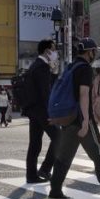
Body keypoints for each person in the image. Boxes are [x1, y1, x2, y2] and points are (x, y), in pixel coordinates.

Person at [47, 38, 100, 199]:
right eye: (94, 51)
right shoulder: (85, 69)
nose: (95, 54)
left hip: (67, 118)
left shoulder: (70, 67)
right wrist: (85, 120)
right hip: (81, 119)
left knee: (64, 157)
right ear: (90, 52)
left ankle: (55, 191)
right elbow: (83, 95)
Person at [23, 39, 61, 184]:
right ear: (47, 51)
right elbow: (46, 92)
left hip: (34, 109)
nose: (55, 53)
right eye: (54, 49)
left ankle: (31, 175)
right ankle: (45, 169)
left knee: (35, 143)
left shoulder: (36, 66)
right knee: (59, 138)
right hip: (42, 109)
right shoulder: (41, 67)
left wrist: (54, 72)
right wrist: (53, 113)